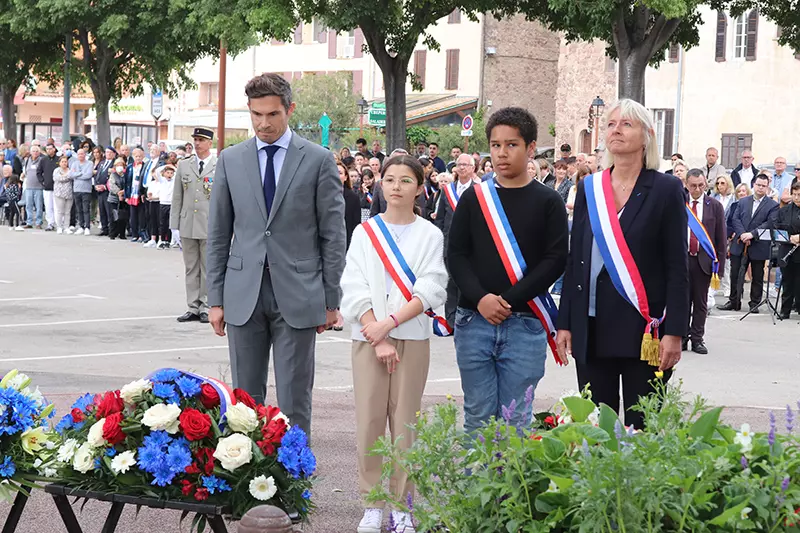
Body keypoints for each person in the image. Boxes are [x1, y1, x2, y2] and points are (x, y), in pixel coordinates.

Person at [206, 73, 345, 437]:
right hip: (242, 293)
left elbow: (333, 235)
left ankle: (293, 484)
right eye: (256, 115)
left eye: (272, 115)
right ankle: (246, 485)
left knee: (294, 398)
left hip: (299, 294)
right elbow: (218, 234)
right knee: (244, 403)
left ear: (290, 110)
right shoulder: (230, 160)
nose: (263, 123)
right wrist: (215, 299)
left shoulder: (318, 160)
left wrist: (331, 300)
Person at [556, 99, 689, 430]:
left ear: (647, 136)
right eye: (612, 124)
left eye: (626, 124)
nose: (616, 129)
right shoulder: (590, 187)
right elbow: (577, 260)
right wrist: (566, 322)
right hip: (592, 325)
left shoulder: (666, 189)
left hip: (644, 330)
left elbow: (677, 266)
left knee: (641, 428)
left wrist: (675, 332)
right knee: (596, 429)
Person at [341, 155, 446, 533]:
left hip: (411, 337)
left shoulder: (430, 234)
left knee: (405, 425)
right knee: (369, 421)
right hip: (369, 338)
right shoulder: (365, 232)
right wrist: (375, 330)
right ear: (379, 184)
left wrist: (390, 324)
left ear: (420, 187)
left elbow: (432, 287)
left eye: (405, 180)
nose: (396, 186)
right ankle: (372, 504)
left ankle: (403, 505)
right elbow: (353, 286)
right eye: (389, 179)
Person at [449, 107, 567, 433]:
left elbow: (555, 259)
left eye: (511, 145)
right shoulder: (475, 198)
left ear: (530, 148)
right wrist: (482, 298)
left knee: (516, 422)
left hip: (526, 324)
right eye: (496, 145)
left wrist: (509, 299)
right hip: (475, 320)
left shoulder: (549, 201)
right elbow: (456, 255)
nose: (502, 153)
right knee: (477, 419)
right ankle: (479, 486)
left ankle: (513, 486)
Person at [171, 128, 217, 324]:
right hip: (188, 222)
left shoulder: (219, 165)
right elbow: (177, 196)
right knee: (191, 268)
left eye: (201, 140)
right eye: (195, 140)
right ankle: (192, 306)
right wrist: (174, 225)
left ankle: (206, 305)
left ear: (210, 143)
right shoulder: (184, 165)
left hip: (209, 224)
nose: (197, 144)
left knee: (208, 267)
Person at [718, 174, 778, 313]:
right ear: (754, 184)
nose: (760, 188)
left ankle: (754, 303)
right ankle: (734, 301)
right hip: (740, 243)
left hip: (758, 244)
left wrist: (752, 234)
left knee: (757, 276)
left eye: (763, 186)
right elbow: (735, 218)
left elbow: (770, 223)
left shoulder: (772, 205)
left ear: (767, 187)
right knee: (735, 274)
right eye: (758, 185)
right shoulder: (743, 201)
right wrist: (743, 234)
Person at [683, 169, 727, 355]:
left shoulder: (714, 206)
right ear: (686, 184)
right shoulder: (680, 204)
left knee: (700, 303)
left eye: (701, 185)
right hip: (682, 259)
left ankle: (697, 339)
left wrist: (720, 268)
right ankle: (682, 337)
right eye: (693, 186)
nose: (697, 189)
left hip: (703, 261)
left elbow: (721, 239)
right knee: (682, 302)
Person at [435, 153, 478, 327]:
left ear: (473, 168)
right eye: (459, 164)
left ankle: (465, 318)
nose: (462, 168)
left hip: (471, 245)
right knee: (450, 282)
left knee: (466, 281)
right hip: (449, 243)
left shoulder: (479, 189)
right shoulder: (448, 190)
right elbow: (440, 218)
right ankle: (451, 320)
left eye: (465, 165)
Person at [777, 182, 800, 318]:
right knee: (787, 281)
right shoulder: (784, 211)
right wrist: (789, 238)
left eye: (799, 195)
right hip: (787, 250)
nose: (797, 197)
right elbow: (778, 229)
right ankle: (785, 310)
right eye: (795, 194)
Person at [70, 149, 94, 235]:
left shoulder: (90, 163)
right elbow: (71, 175)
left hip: (86, 190)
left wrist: (77, 174)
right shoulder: (74, 164)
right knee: (79, 209)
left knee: (86, 209)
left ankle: (87, 226)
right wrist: (80, 173)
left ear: (85, 154)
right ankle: (81, 226)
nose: (80, 155)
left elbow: (88, 175)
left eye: (82, 154)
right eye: (79, 154)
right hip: (76, 189)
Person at [338, 161, 361, 249]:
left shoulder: (353, 197)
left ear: (345, 177)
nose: (336, 175)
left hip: (346, 241)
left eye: (340, 173)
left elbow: (356, 223)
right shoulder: (321, 196)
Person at [21, 145, 44, 228]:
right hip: (29, 186)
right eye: (33, 151)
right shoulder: (27, 161)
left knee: (39, 205)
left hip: (39, 187)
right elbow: (25, 172)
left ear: (39, 152)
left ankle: (38, 222)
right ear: (30, 152)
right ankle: (29, 222)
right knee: (28, 205)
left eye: (37, 151)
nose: (35, 153)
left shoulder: (41, 160)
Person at [37, 144, 59, 231]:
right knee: (48, 206)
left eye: (51, 149)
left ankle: (58, 224)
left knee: (57, 207)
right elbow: (38, 172)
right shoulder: (43, 160)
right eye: (47, 149)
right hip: (47, 187)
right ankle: (50, 223)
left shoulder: (58, 159)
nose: (49, 150)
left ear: (54, 149)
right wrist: (42, 181)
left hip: (57, 187)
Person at [95, 147, 116, 236]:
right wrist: (96, 185)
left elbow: (114, 178)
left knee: (109, 211)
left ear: (114, 154)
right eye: (107, 152)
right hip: (100, 190)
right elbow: (97, 175)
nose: (108, 154)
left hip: (108, 190)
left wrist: (105, 186)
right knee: (102, 210)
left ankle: (111, 230)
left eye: (110, 152)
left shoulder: (114, 164)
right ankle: (104, 229)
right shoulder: (102, 163)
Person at [107, 158, 129, 240]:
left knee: (123, 217)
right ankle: (112, 233)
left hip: (123, 198)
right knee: (114, 217)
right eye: (118, 165)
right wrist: (118, 192)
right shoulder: (113, 175)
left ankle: (122, 234)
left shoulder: (126, 175)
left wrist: (123, 192)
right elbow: (111, 185)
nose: (120, 166)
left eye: (121, 165)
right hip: (113, 199)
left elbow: (128, 184)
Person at [52, 156, 74, 234]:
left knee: (67, 211)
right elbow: (58, 178)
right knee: (60, 211)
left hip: (69, 193)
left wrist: (65, 176)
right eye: (62, 162)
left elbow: (72, 177)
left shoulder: (70, 170)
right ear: (59, 163)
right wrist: (66, 176)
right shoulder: (56, 170)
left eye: (65, 162)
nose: (64, 163)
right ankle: (59, 227)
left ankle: (66, 227)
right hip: (59, 193)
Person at [156, 164, 176, 249]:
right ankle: (161, 240)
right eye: (167, 173)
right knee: (162, 223)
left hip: (171, 203)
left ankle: (168, 241)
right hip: (163, 203)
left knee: (169, 223)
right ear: (164, 173)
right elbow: (157, 171)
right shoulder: (162, 180)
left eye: (171, 173)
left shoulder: (174, 181)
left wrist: (173, 167)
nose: (169, 175)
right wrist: (166, 165)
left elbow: (178, 172)